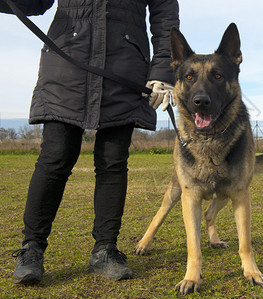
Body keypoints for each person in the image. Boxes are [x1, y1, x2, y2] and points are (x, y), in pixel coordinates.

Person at [1, 0, 179, 284]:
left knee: (113, 161)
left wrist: (162, 70)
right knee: (55, 157)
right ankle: (31, 249)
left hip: (124, 62)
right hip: (67, 58)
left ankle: (105, 250)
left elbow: (164, 12)